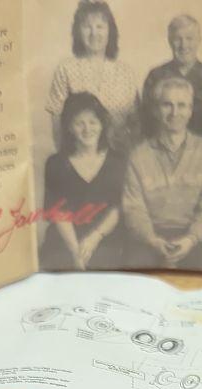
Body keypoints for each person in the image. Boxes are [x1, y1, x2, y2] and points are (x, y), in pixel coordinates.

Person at [122, 77, 202, 270]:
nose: (175, 113)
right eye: (167, 105)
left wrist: (191, 239)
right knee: (133, 272)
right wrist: (152, 240)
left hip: (192, 236)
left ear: (190, 110)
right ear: (156, 110)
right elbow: (133, 209)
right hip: (150, 235)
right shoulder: (138, 155)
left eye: (182, 105)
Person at [39, 92, 126, 272]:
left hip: (104, 238)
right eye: (80, 123)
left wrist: (94, 238)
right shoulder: (55, 164)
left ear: (102, 124)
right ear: (69, 127)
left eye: (93, 122)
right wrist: (75, 252)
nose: (87, 129)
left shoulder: (118, 161)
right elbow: (58, 213)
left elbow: (118, 208)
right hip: (64, 241)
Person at [46, 0, 138, 153]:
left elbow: (135, 121)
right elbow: (57, 121)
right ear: (78, 32)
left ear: (110, 31)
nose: (94, 33)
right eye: (87, 27)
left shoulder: (126, 72)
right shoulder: (66, 69)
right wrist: (65, 158)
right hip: (79, 156)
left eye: (100, 27)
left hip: (119, 155)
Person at [142, 15, 202, 144]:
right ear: (169, 41)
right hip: (163, 148)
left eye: (189, 38)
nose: (184, 45)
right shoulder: (155, 76)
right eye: (177, 39)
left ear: (199, 40)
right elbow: (147, 121)